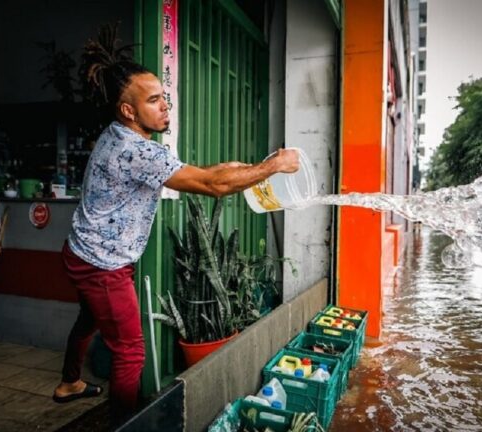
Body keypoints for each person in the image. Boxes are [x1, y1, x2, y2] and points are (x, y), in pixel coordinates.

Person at [51, 56, 299, 422]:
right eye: (152, 100)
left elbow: (200, 174)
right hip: (102, 264)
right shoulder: (135, 150)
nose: (165, 104)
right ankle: (126, 426)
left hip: (81, 251)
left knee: (89, 319)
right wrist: (273, 166)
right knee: (131, 351)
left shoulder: (118, 134)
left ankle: (69, 382)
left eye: (163, 95)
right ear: (128, 110)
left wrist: (242, 170)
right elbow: (210, 186)